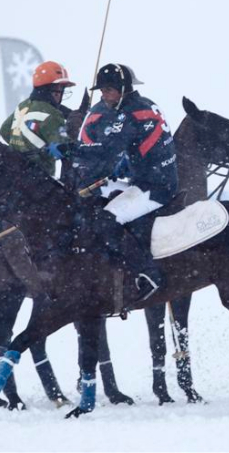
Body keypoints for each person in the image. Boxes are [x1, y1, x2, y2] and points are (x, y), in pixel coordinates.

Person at [71, 63, 178, 301]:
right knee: (89, 201)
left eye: (109, 90)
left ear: (124, 89)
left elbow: (108, 151)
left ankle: (148, 273)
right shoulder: (139, 105)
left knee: (106, 219)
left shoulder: (131, 112)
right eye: (102, 90)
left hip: (155, 186)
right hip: (139, 177)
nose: (104, 95)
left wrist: (71, 149)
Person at [1, 60, 76, 177]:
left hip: (12, 173)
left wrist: (21, 146)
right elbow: (64, 149)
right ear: (48, 90)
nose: (60, 94)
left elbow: (5, 130)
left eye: (62, 90)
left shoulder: (23, 105)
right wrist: (76, 130)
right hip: (38, 180)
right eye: (58, 90)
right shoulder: (52, 114)